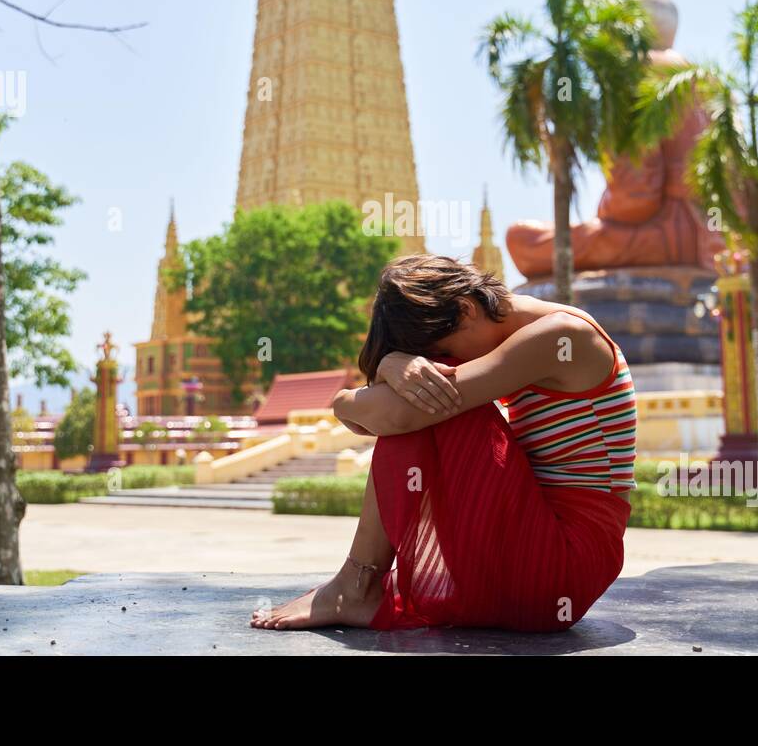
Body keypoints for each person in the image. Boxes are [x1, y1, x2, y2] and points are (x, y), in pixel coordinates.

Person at [250, 254, 637, 632]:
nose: (443, 364)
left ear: (466, 310)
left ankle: (357, 586)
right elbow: (375, 417)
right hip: (540, 551)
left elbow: (396, 416)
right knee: (428, 400)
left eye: (442, 354)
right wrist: (390, 367)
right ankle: (357, 585)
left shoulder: (560, 336)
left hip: (564, 568)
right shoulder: (520, 329)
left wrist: (352, 395)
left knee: (431, 405)